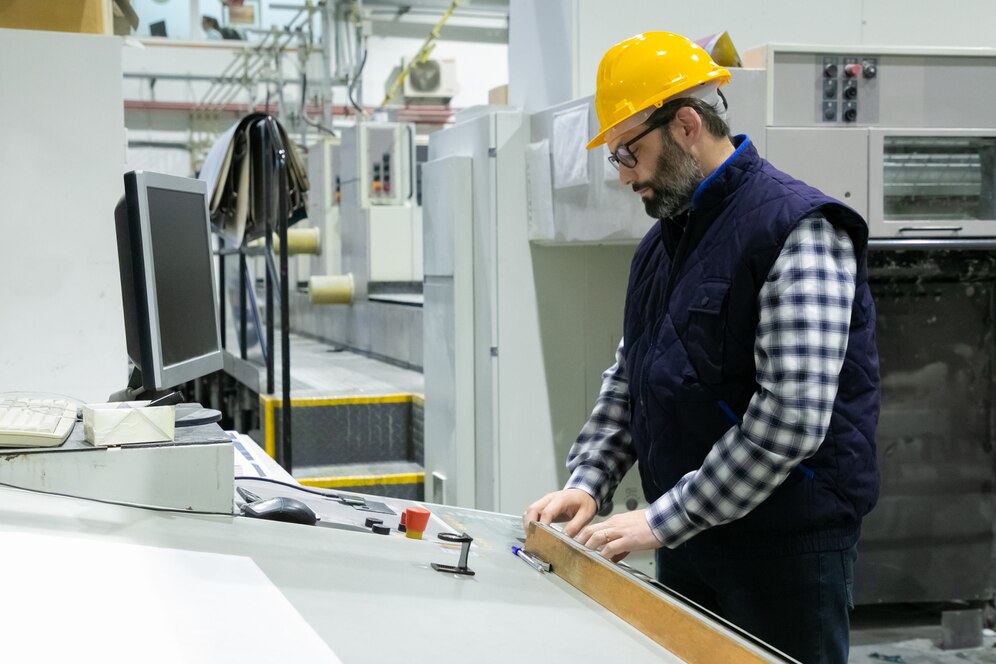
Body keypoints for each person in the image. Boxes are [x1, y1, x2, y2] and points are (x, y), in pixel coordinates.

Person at [522, 32, 880, 664]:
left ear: (686, 125)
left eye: (629, 152)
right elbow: (630, 379)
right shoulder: (660, 247)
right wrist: (589, 480)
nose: (625, 175)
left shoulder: (798, 229)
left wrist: (659, 522)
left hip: (783, 555)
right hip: (692, 541)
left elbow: (790, 422)